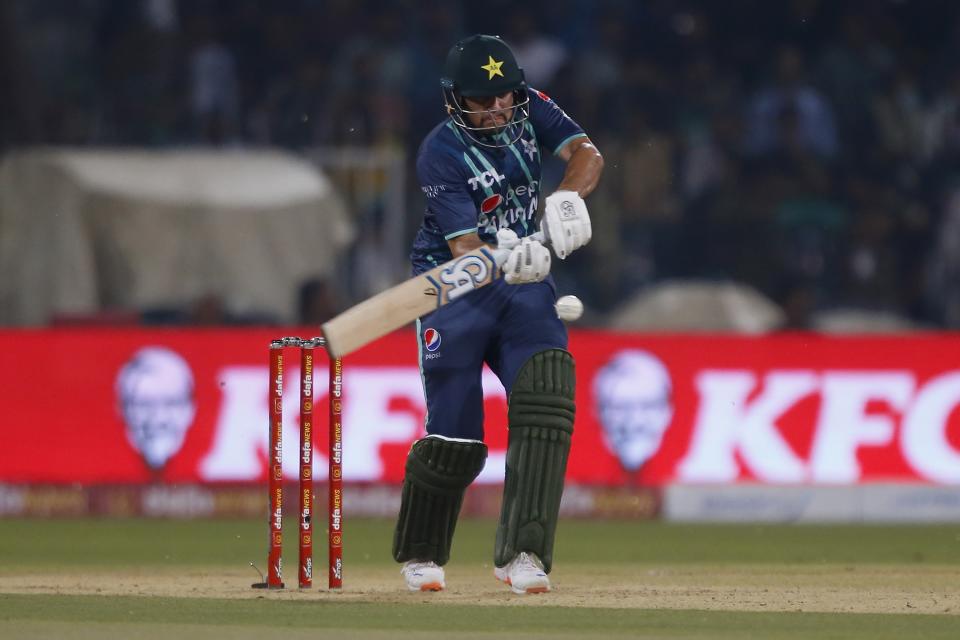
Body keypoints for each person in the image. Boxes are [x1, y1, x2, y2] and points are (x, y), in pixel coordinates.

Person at [392, 34, 604, 594]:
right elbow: (464, 248)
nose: (496, 109)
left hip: (526, 283)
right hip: (454, 289)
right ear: (454, 100)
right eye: (481, 101)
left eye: (503, 97)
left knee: (546, 398)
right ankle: (420, 552)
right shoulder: (440, 150)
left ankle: (525, 554)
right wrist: (509, 253)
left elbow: (588, 155)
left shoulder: (532, 105)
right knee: (456, 436)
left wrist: (567, 200)